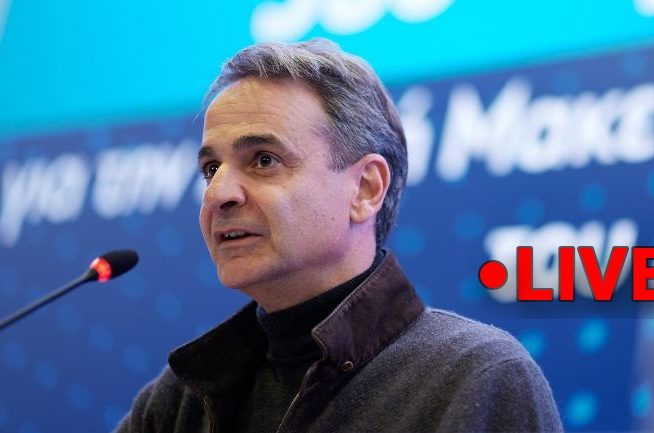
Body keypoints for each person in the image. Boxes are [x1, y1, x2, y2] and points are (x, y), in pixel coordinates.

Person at [115, 38, 563, 433]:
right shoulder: (180, 399)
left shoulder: (474, 376)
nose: (217, 195)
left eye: (264, 160)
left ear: (366, 189)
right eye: (211, 168)